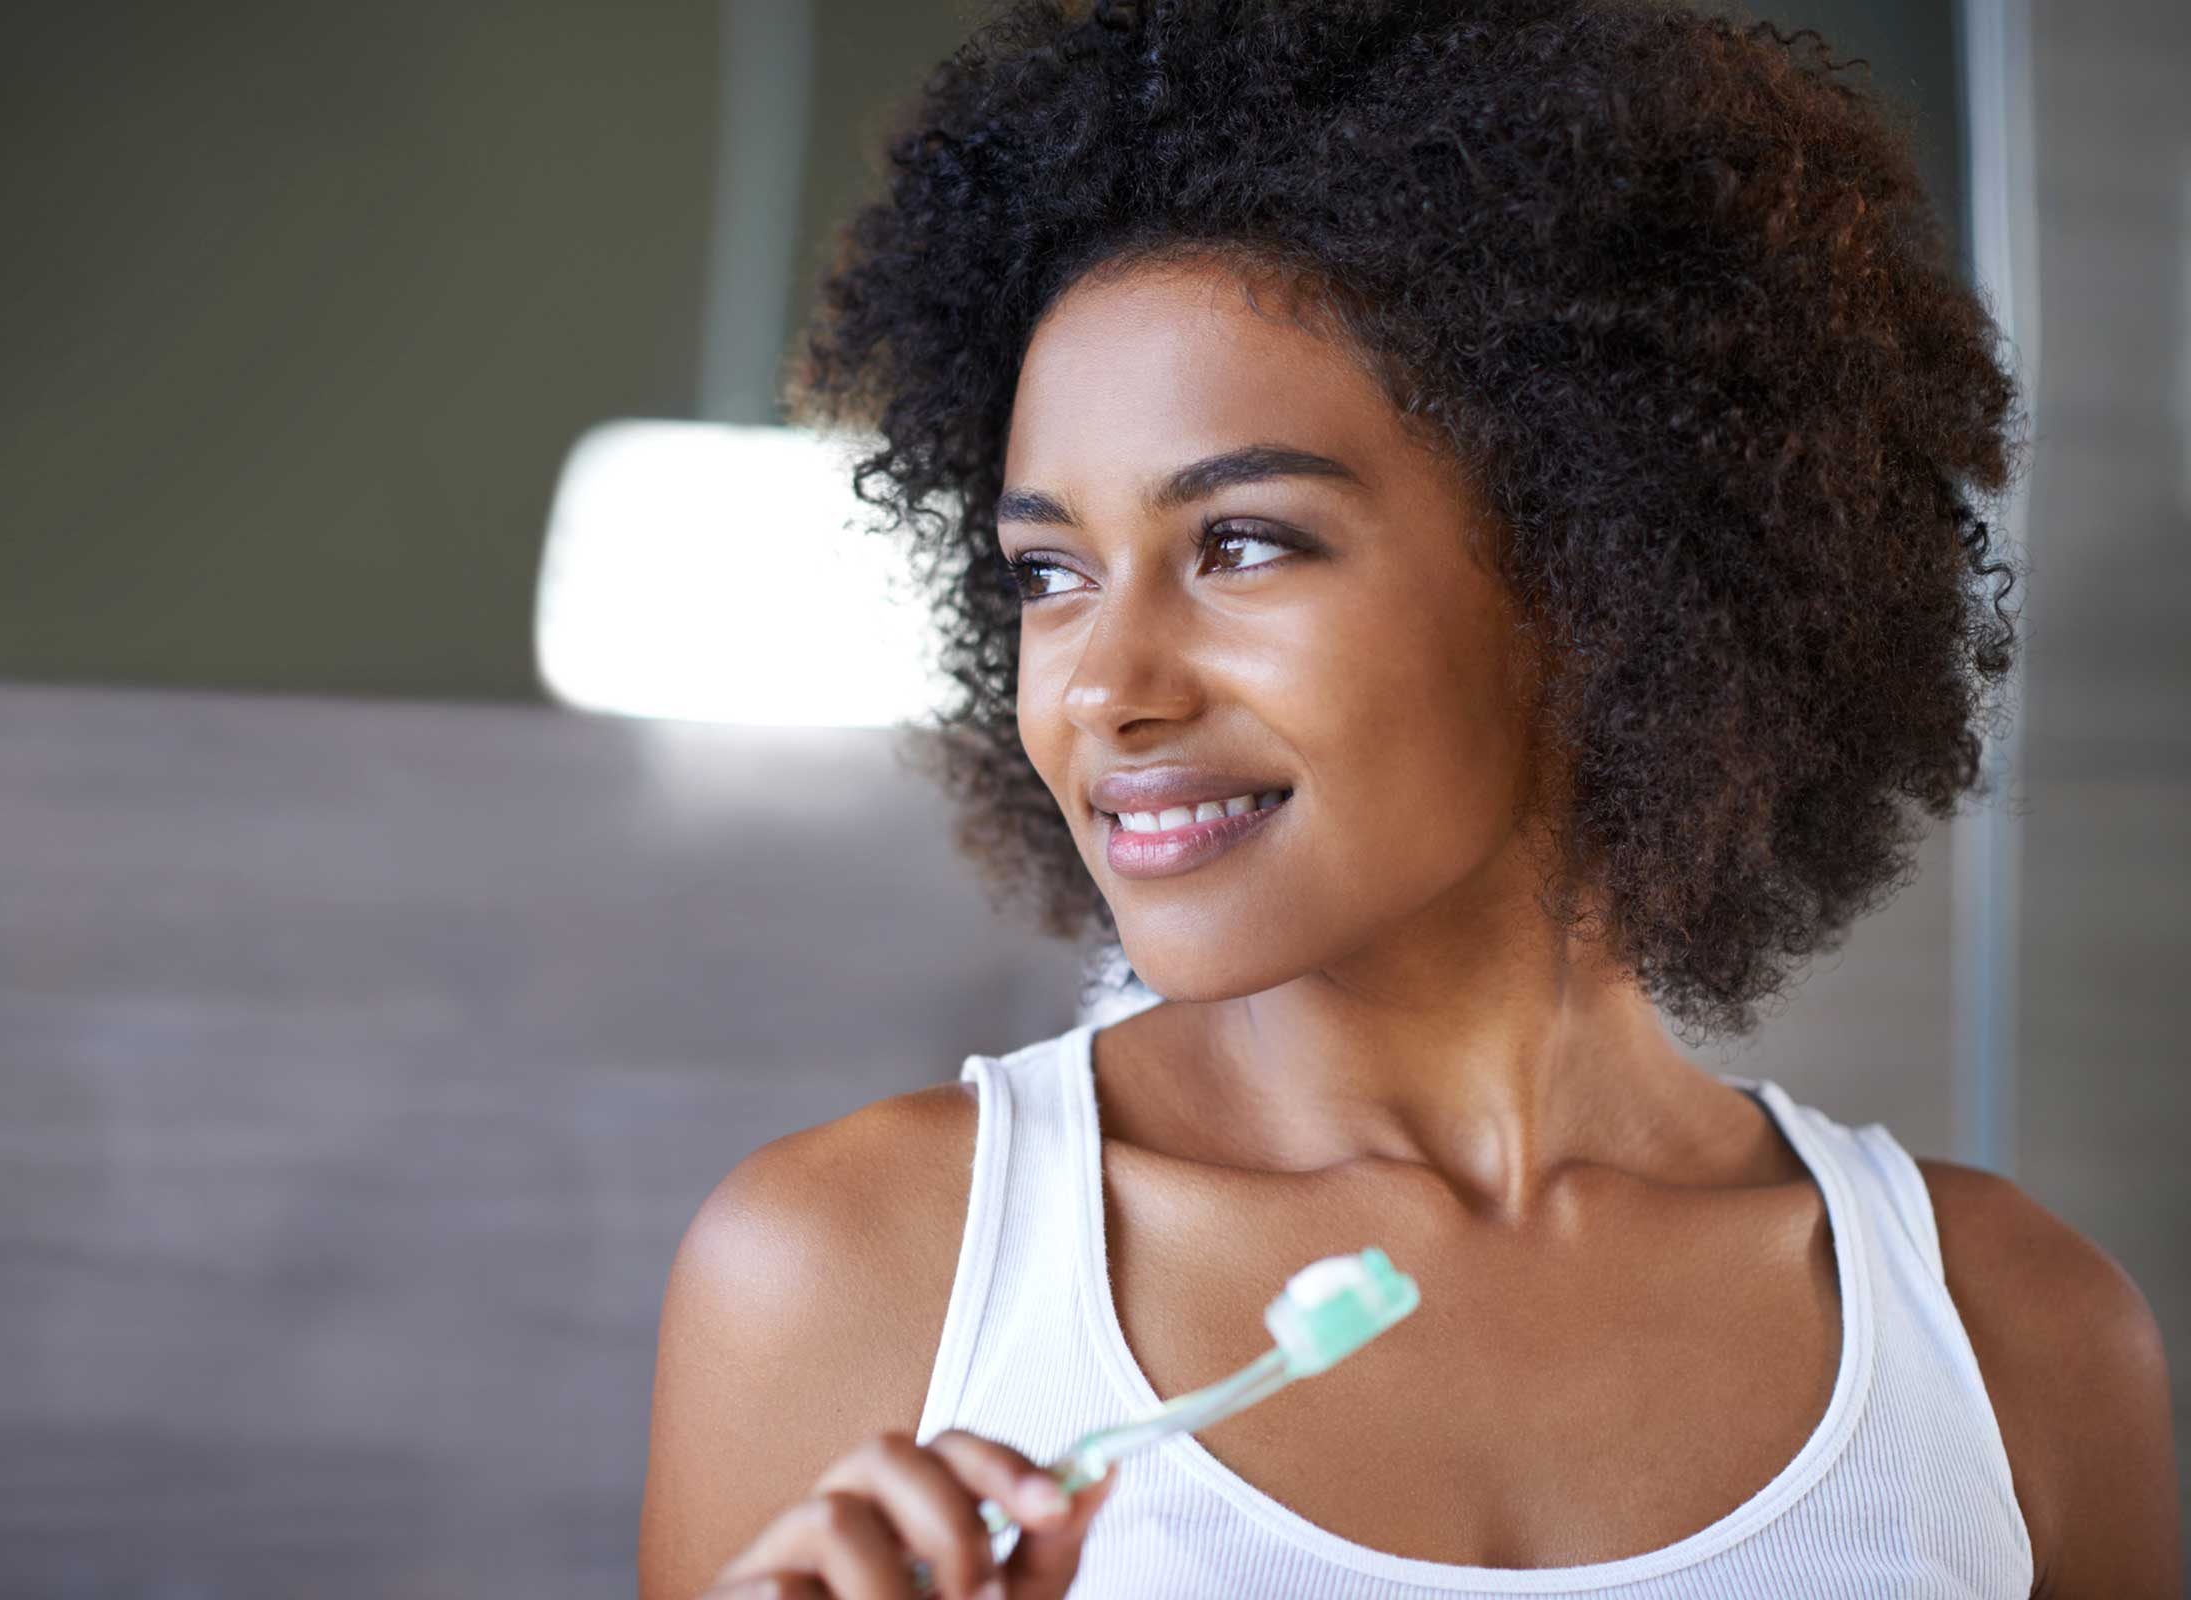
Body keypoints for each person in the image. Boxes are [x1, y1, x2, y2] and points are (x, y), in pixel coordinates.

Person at [639, 1, 2182, 1594]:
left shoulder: (2019, 1340)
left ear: (1599, 566)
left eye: (1241, 542)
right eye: (1050, 572)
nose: (1104, 686)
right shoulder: (851, 1274)